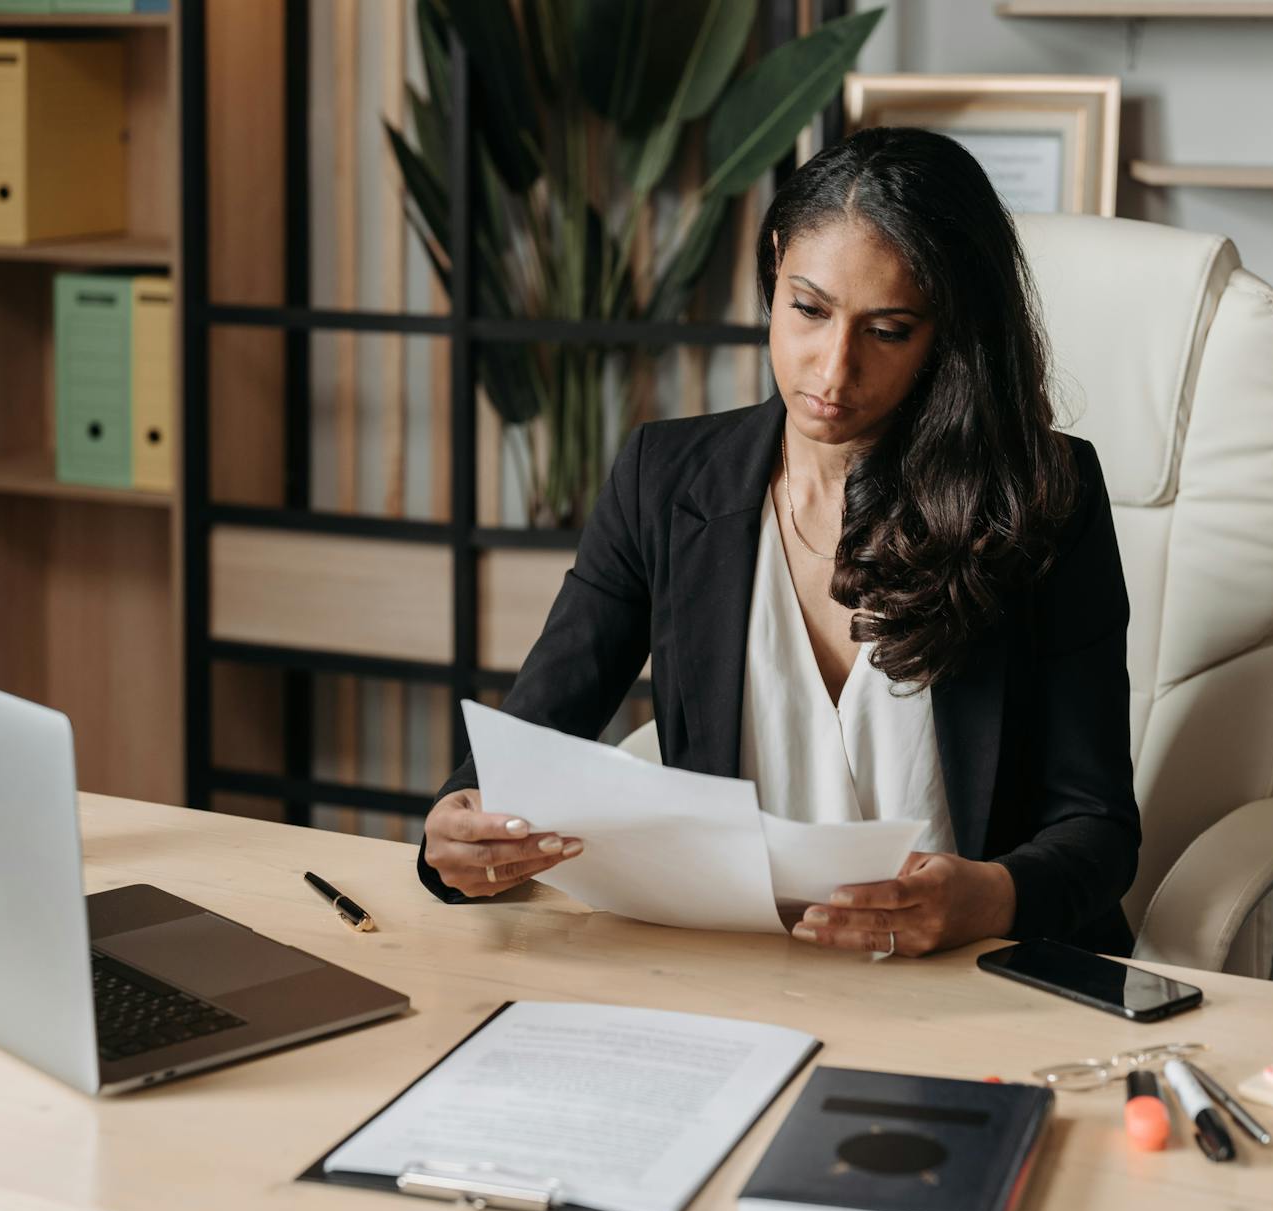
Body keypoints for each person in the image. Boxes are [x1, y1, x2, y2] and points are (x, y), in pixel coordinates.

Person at [417, 126, 1140, 958]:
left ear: (951, 333)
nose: (832, 373)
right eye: (808, 309)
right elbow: (529, 742)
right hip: (742, 971)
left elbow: (1099, 830)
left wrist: (988, 898)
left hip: (974, 975)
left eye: (889, 330)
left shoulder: (1042, 496)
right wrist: (459, 827)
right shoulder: (666, 480)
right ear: (773, 269)